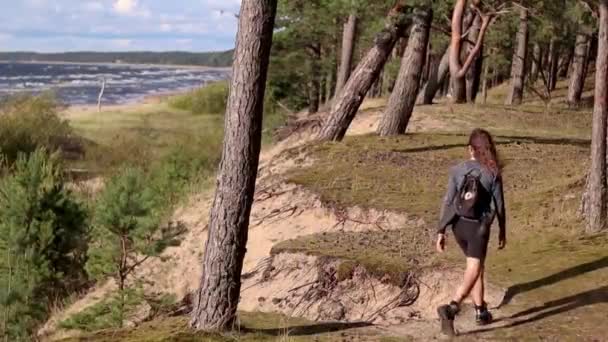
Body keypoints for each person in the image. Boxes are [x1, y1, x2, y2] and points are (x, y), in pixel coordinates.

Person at [435, 128, 506, 337]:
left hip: (458, 226)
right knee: (474, 268)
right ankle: (451, 308)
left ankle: (481, 311)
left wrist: (441, 230)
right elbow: (500, 206)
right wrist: (503, 229)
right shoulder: (493, 172)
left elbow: (448, 201)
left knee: (478, 266)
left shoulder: (457, 170)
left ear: (470, 149)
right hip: (478, 228)